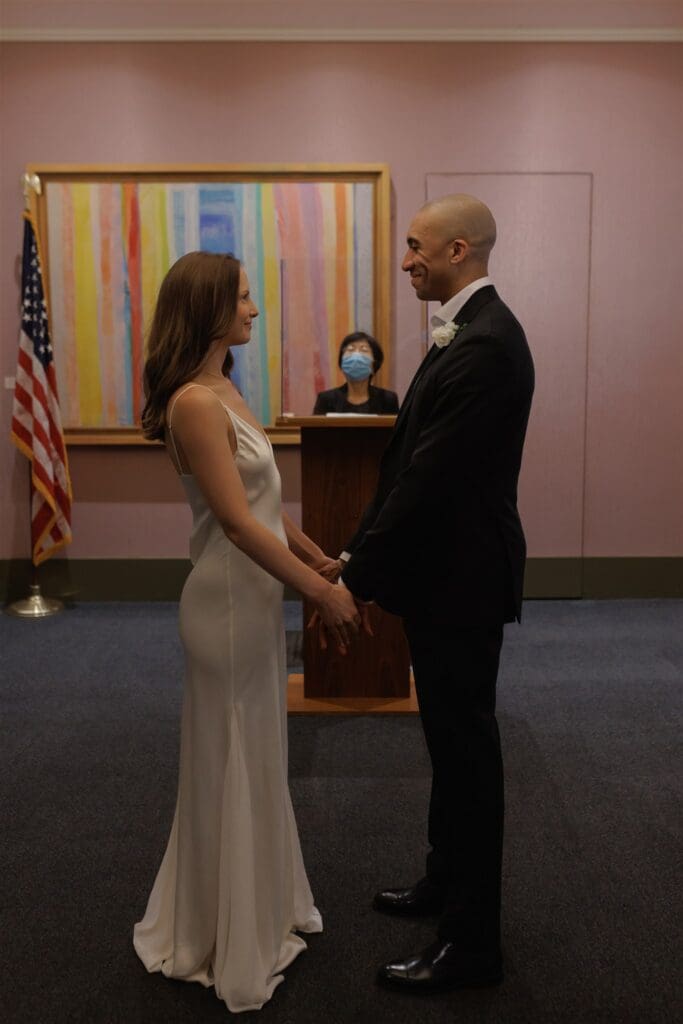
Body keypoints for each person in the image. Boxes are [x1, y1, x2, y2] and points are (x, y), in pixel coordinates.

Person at [133, 251, 360, 1013]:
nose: (254, 309)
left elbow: (260, 505)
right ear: (207, 309)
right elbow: (231, 524)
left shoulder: (226, 387)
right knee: (229, 756)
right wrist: (320, 596)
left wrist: (309, 554)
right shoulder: (194, 402)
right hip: (226, 605)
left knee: (256, 752)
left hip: (254, 598)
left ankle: (256, 909)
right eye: (242, 297)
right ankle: (220, 934)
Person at [340, 195, 535, 991]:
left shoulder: (487, 344)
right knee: (446, 747)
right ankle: (441, 881)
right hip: (441, 579)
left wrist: (354, 576)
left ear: (459, 249)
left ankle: (472, 945)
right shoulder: (464, 330)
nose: (405, 260)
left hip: (461, 582)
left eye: (416, 247)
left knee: (467, 754)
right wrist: (358, 546)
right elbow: (408, 463)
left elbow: (431, 479)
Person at [312, 331, 399, 414]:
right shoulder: (326, 399)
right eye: (350, 349)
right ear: (342, 363)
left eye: (364, 350)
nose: (356, 355)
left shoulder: (387, 399)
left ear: (374, 365)